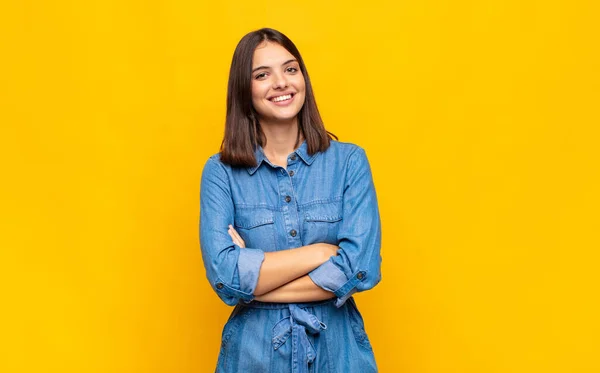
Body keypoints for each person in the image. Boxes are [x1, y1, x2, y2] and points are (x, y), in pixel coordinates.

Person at [199, 27, 382, 373]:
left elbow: (360, 269)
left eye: (290, 69)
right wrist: (320, 253)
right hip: (254, 356)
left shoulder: (349, 162)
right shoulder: (220, 172)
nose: (281, 82)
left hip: (338, 353)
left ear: (303, 79)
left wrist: (253, 284)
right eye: (262, 75)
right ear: (244, 89)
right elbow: (224, 277)